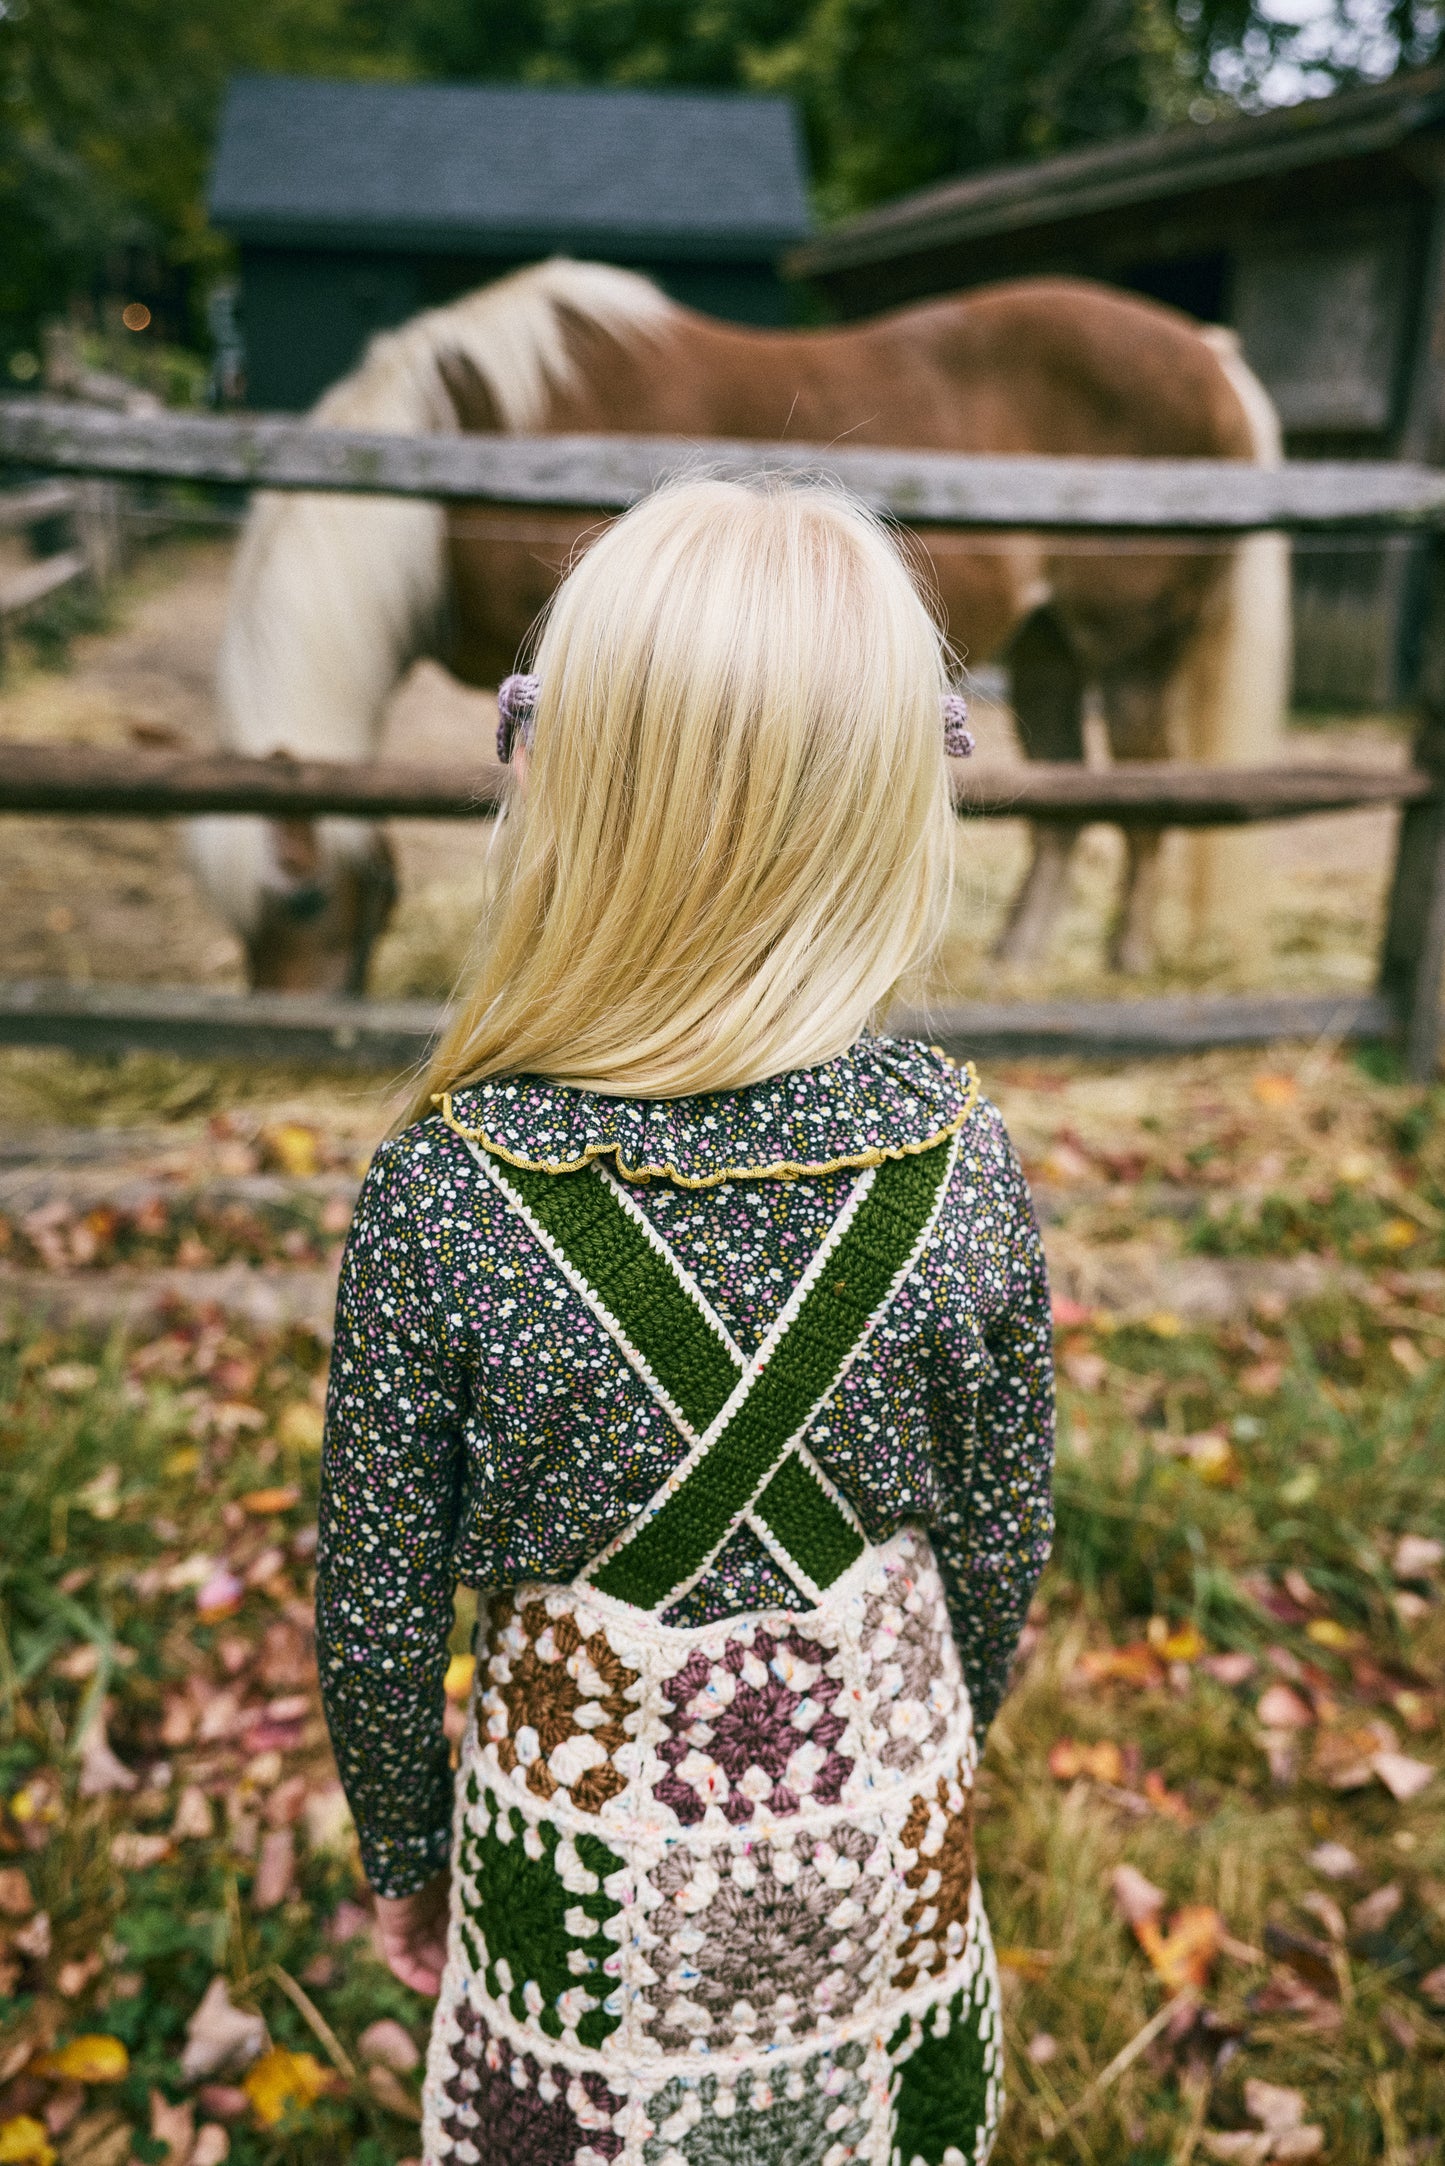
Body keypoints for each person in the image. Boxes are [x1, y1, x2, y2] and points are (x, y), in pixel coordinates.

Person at [316, 477, 1055, 2166]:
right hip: (882, 1816)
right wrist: (940, 1740)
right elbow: (1002, 1537)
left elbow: (373, 1604)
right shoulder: (956, 1154)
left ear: (568, 780)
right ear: (887, 801)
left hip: (568, 1855)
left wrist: (408, 1854)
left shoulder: (447, 1186)